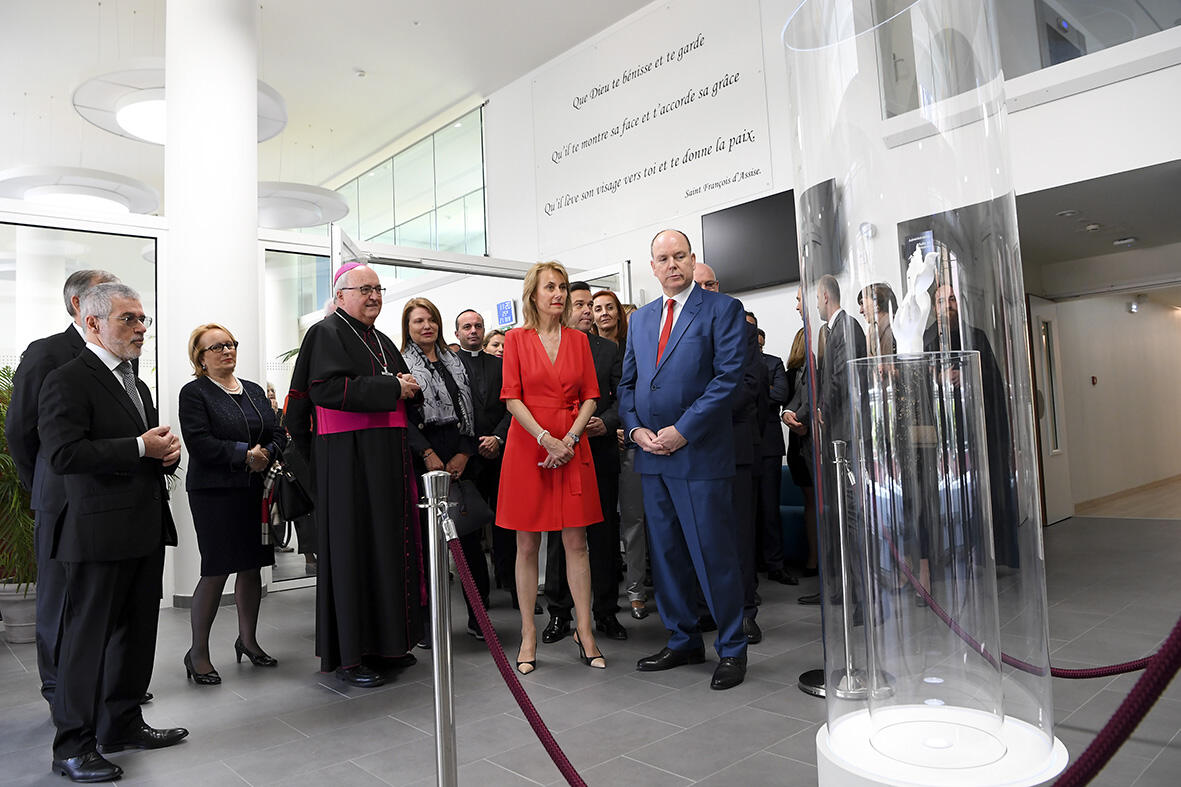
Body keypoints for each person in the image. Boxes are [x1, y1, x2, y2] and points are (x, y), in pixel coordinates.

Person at [37, 282, 187, 782]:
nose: (141, 328)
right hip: (95, 535)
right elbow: (63, 456)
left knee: (136, 635)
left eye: (143, 318)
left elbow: (139, 449)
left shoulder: (136, 384)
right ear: (93, 323)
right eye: (129, 319)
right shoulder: (67, 379)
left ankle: (121, 724)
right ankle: (73, 747)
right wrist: (140, 448)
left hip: (142, 526)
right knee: (86, 643)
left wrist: (165, 455)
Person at [619, 229, 749, 691]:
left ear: (693, 260)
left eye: (679, 256)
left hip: (698, 455)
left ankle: (732, 648)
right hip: (651, 456)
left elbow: (729, 378)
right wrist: (635, 429)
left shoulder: (722, 309)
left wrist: (682, 431)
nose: (671, 264)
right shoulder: (640, 320)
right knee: (667, 556)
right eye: (662, 258)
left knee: (713, 555)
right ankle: (682, 639)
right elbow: (627, 384)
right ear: (651, 267)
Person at [286, 262, 424, 689]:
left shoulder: (380, 339)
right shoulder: (326, 332)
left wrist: (406, 387)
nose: (374, 296)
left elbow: (400, 386)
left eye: (379, 289)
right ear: (340, 294)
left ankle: (388, 644)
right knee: (354, 553)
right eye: (364, 289)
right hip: (348, 461)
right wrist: (392, 388)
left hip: (387, 459)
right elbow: (325, 390)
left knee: (387, 548)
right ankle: (351, 655)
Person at [6, 269, 118, 711]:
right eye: (104, 291)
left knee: (101, 597)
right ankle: (57, 690)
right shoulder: (47, 353)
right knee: (58, 598)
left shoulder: (117, 354)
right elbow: (20, 430)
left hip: (108, 500)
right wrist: (42, 491)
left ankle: (106, 686)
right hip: (61, 498)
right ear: (79, 306)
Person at [495, 261, 605, 674]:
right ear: (533, 295)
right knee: (527, 545)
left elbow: (592, 396)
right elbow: (511, 398)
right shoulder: (516, 339)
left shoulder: (579, 340)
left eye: (561, 287)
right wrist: (546, 439)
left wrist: (570, 440)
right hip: (530, 449)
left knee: (577, 544)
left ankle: (586, 630)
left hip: (571, 446)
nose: (557, 294)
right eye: (549, 288)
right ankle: (527, 633)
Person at [178, 324, 287, 685]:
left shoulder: (254, 391)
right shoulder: (194, 393)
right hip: (214, 493)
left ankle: (249, 641)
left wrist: (266, 454)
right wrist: (246, 455)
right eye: (217, 347)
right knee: (216, 569)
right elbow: (200, 443)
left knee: (253, 566)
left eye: (230, 344)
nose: (227, 351)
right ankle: (198, 654)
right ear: (201, 357)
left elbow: (278, 433)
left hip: (255, 489)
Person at [541, 281, 625, 644]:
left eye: (591, 305)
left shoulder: (608, 350)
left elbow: (623, 398)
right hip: (560, 453)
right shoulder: (547, 346)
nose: (588, 311)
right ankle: (559, 614)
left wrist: (604, 422)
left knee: (603, 536)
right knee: (561, 538)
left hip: (599, 451)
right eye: (580, 305)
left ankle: (605, 611)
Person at [401, 297, 488, 640]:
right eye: (418, 321)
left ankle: (478, 619)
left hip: (460, 458)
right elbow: (402, 419)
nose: (426, 326)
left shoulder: (456, 362)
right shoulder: (400, 362)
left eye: (431, 320)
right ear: (407, 328)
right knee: (425, 546)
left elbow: (472, 414)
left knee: (468, 542)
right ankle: (426, 624)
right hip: (422, 459)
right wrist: (426, 454)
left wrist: (465, 454)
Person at [454, 309, 527, 613]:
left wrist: (497, 439)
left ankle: (514, 589)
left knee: (506, 525)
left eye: (478, 326)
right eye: (466, 327)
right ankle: (477, 601)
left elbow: (514, 405)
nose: (473, 330)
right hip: (467, 459)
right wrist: (472, 445)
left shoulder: (502, 364)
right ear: (457, 334)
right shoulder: (451, 368)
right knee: (469, 531)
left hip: (501, 455)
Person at [749, 317, 797, 586]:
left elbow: (779, 394)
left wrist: (755, 388)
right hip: (739, 445)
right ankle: (751, 565)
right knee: (746, 510)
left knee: (769, 508)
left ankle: (775, 564)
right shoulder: (729, 362)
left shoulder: (773, 363)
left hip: (768, 445)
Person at [859, 283, 898, 356]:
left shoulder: (896, 331)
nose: (860, 311)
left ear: (875, 302)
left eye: (863, 303)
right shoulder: (872, 333)